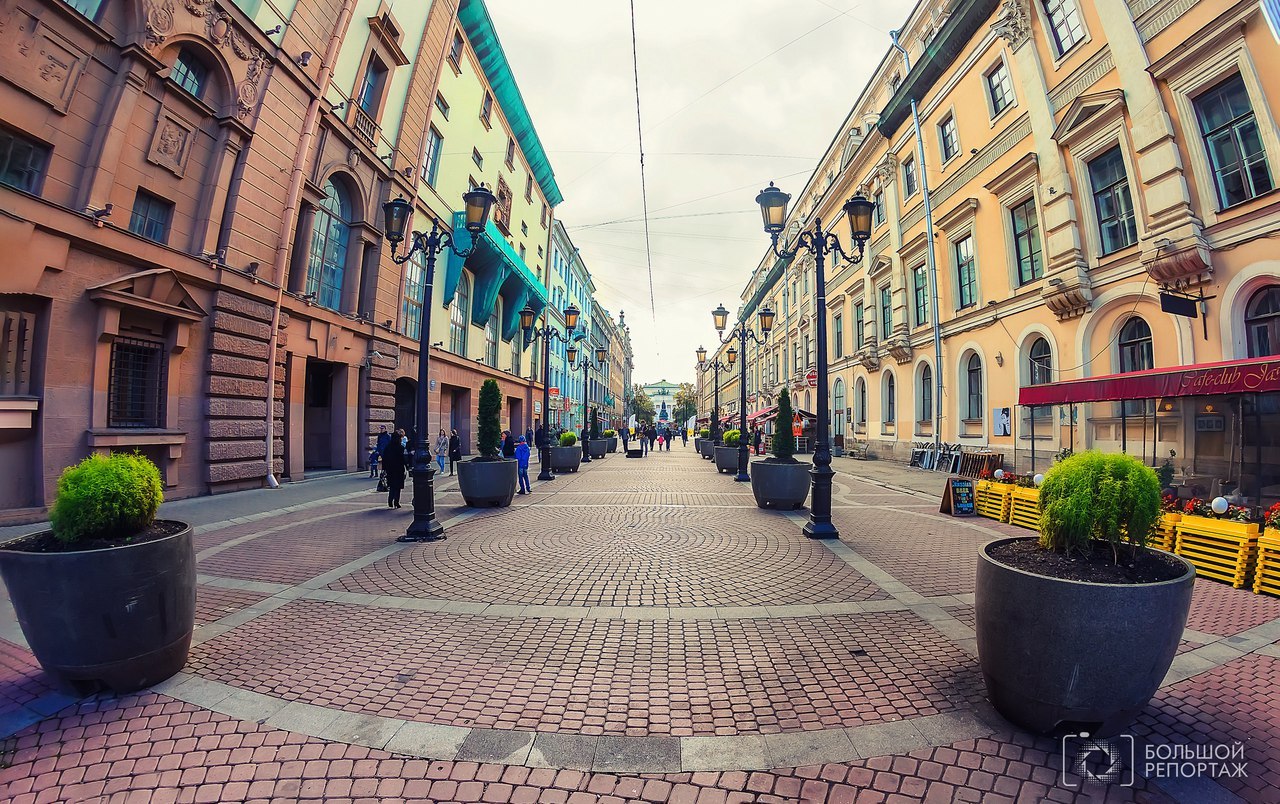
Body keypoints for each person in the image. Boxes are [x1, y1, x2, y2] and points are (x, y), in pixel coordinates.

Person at [382, 429, 407, 509]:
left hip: (390, 469)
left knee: (392, 485)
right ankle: (396, 502)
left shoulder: (388, 447)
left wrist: (384, 468)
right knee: (398, 486)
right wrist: (406, 466)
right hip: (399, 469)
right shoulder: (400, 448)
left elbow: (384, 459)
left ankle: (390, 500)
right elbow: (403, 459)